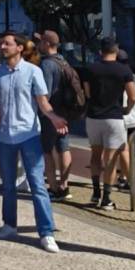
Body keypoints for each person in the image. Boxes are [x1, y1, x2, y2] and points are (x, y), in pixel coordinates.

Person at [0, 31, 67, 253]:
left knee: (37, 184)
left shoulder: (34, 72)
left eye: (7, 43)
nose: (3, 47)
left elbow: (42, 102)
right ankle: (9, 224)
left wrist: (54, 117)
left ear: (19, 48)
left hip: (29, 135)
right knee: (8, 185)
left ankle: (46, 232)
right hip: (4, 136)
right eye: (1, 43)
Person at [80, 38, 135, 210]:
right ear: (116, 51)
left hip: (93, 116)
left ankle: (95, 193)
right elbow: (133, 96)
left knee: (95, 154)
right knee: (111, 159)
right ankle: (106, 198)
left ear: (100, 51)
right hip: (114, 116)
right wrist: (127, 108)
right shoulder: (124, 70)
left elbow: (87, 93)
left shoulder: (90, 69)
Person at [37, 30, 76, 201]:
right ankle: (64, 185)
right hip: (65, 112)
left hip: (51, 114)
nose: (38, 45)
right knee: (64, 147)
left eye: (40, 42)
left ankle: (53, 187)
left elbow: (45, 92)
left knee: (47, 150)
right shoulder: (63, 61)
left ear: (46, 43)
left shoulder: (47, 64)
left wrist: (44, 111)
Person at [115, 49, 135, 191]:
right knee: (127, 150)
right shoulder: (134, 77)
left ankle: (126, 180)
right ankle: (123, 177)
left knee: (121, 150)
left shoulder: (115, 75)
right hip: (133, 119)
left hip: (120, 117)